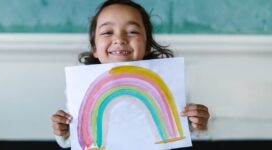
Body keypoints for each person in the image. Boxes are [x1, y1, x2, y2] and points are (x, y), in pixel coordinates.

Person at [51, 0, 210, 148]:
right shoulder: (81, 88)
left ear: (147, 46)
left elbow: (180, 131)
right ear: (94, 48)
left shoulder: (167, 85)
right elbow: (79, 138)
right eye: (107, 32)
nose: (119, 39)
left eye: (132, 31)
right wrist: (64, 131)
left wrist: (195, 123)